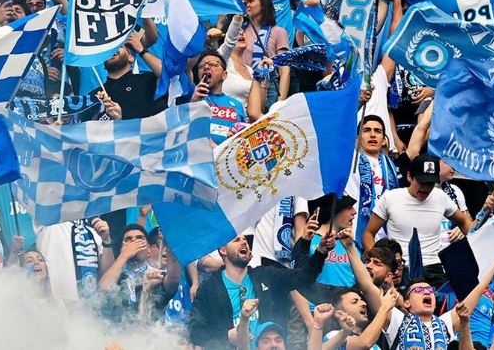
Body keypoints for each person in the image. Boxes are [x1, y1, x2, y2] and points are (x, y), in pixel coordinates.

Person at [188, 232, 335, 348]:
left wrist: (320, 252)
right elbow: (195, 332)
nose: (244, 242)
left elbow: (302, 278)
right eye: (237, 240)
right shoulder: (209, 288)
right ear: (222, 250)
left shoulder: (266, 275)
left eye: (245, 240)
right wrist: (227, 336)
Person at [362, 154, 474, 288]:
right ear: (409, 176)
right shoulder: (390, 198)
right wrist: (382, 264)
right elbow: (368, 234)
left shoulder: (440, 196)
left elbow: (464, 221)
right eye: (422, 182)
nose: (425, 188)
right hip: (402, 269)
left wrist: (474, 244)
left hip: (434, 269)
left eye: (430, 183)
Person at [99, 224, 180, 321]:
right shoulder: (115, 276)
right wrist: (125, 255)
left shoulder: (156, 275)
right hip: (114, 329)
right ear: (121, 250)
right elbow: (103, 290)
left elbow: (174, 279)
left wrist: (170, 241)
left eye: (140, 238)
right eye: (127, 239)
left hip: (152, 330)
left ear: (149, 249)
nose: (134, 242)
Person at [345, 114, 400, 246]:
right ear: (357, 138)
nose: (373, 135)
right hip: (355, 232)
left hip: (385, 235)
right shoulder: (350, 160)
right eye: (367, 130)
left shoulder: (392, 167)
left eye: (378, 131)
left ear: (384, 140)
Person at [35, 218, 115, 303]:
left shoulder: (94, 231)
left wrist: (106, 241)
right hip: (59, 305)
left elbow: (107, 277)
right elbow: (42, 211)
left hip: (91, 307)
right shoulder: (50, 224)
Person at [102, 32, 166, 120]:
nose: (113, 51)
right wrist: (117, 121)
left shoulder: (147, 80)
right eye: (109, 51)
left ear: (131, 57)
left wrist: (141, 50)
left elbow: (166, 75)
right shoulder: (98, 94)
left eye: (119, 46)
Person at [191, 50, 248, 145]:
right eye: (201, 66)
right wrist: (194, 104)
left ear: (224, 75)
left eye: (213, 64)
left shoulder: (237, 105)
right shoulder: (192, 97)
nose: (206, 67)